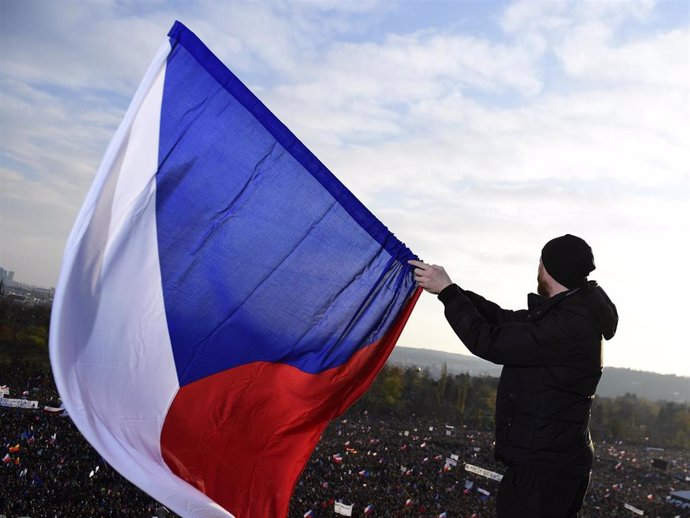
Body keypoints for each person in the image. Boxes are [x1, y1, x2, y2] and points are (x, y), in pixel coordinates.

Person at [408, 234, 618, 518]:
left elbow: (490, 341)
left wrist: (447, 294)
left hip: (543, 468)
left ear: (550, 270)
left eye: (540, 263)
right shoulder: (573, 311)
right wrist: (452, 289)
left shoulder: (566, 326)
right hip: (556, 460)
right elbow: (505, 320)